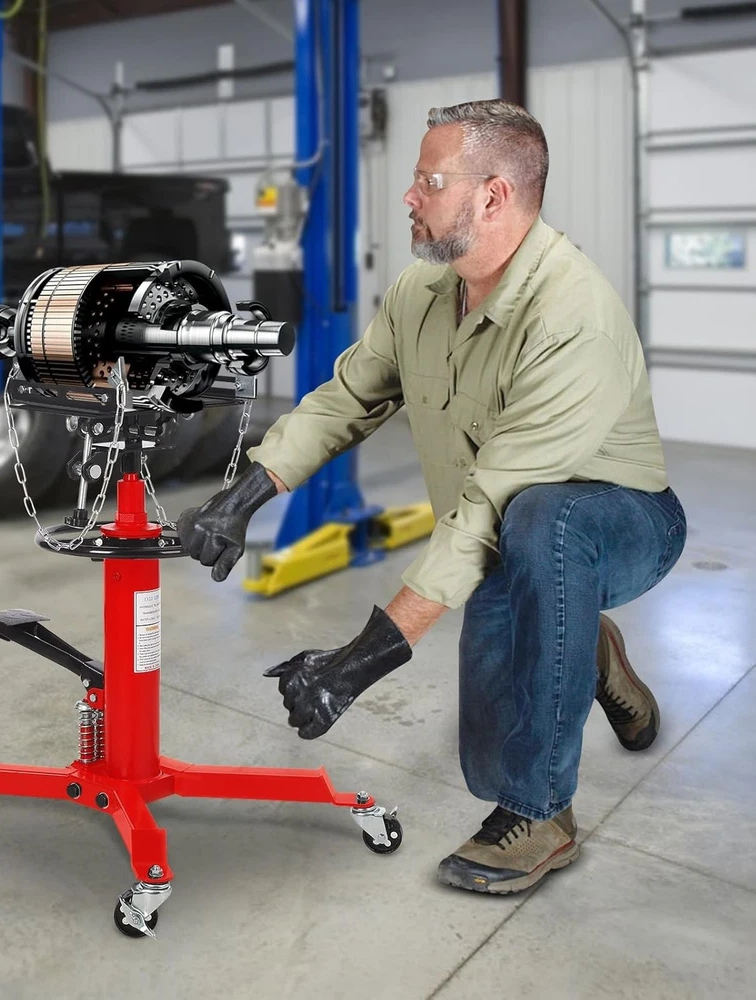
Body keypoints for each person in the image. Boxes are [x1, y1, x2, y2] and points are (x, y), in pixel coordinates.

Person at [176, 99, 687, 895]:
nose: (409, 196)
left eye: (430, 181)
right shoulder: (422, 293)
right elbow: (347, 398)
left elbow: (488, 507)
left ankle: (542, 814)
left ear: (493, 197)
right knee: (493, 694)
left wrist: (358, 661)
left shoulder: (572, 318)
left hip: (622, 520)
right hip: (510, 528)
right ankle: (590, 649)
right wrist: (244, 495)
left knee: (542, 527)